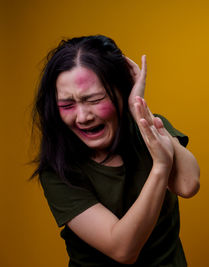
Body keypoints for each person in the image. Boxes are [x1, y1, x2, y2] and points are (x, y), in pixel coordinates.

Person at [31, 35, 200, 266]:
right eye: (68, 105)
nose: (82, 117)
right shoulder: (58, 170)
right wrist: (160, 167)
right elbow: (123, 249)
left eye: (94, 99)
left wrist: (138, 108)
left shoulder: (151, 127)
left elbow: (188, 184)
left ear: (121, 91)